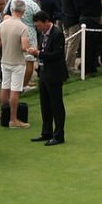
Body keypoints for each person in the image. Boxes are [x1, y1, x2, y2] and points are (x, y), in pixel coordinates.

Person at [29, 10, 67, 145]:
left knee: (56, 105)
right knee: (45, 105)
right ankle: (47, 132)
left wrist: (39, 53)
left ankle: (59, 135)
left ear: (46, 22)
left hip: (55, 74)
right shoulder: (42, 33)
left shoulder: (57, 34)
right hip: (44, 73)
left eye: (39, 25)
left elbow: (57, 55)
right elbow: (43, 51)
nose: (38, 28)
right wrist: (38, 54)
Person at [0, 1, 31, 128]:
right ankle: (13, 119)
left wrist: (7, 45)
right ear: (23, 11)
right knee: (15, 90)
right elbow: (24, 47)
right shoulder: (23, 27)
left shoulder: (3, 24)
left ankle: (5, 115)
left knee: (5, 87)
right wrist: (28, 47)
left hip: (5, 60)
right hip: (17, 62)